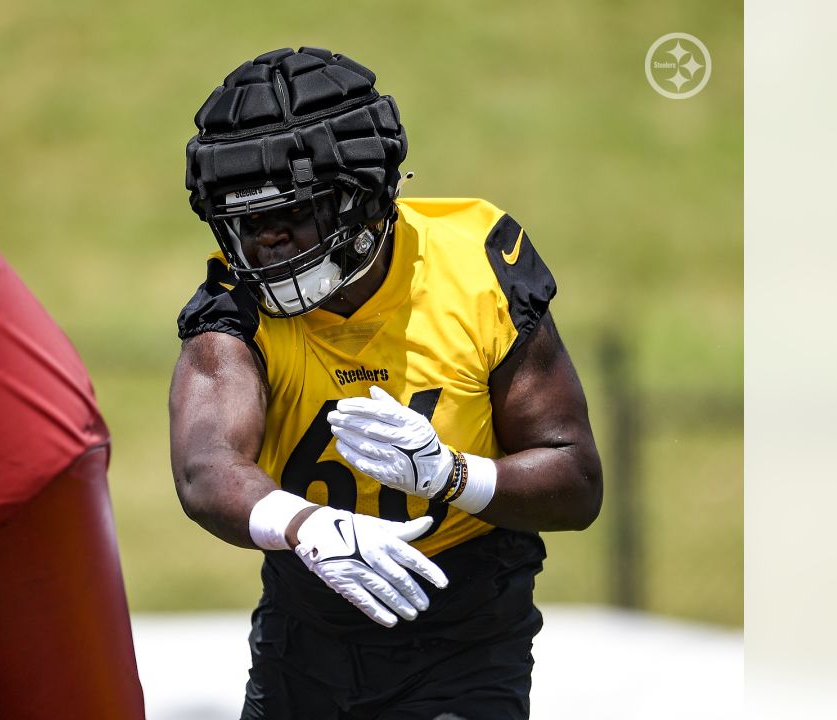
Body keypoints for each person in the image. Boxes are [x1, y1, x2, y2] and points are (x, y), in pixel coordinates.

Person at [169, 47, 603, 719]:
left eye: (293, 214)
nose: (269, 243)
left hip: (467, 631)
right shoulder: (235, 308)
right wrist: (310, 526)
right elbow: (205, 468)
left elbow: (576, 483)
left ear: (360, 199)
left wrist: (453, 476)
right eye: (247, 224)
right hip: (307, 633)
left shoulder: (475, 266)